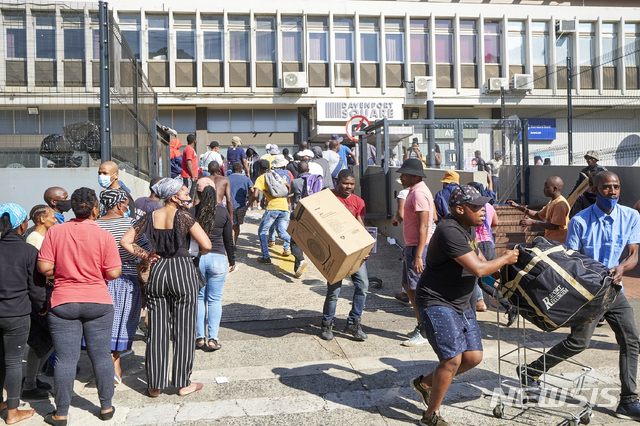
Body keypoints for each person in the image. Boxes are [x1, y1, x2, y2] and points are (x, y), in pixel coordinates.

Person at [518, 172, 640, 421]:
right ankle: (531, 371)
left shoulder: (631, 216)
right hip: (586, 294)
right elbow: (569, 260)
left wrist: (623, 267)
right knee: (579, 343)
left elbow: (633, 254)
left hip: (615, 290)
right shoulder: (580, 221)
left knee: (631, 341)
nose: (613, 191)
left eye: (616, 187)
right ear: (594, 190)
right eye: (606, 187)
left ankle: (628, 401)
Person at [410, 186, 519, 426]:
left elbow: (482, 263)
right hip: (436, 301)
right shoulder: (449, 230)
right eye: (477, 207)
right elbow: (478, 269)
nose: (483, 211)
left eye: (483, 206)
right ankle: (431, 415)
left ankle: (425, 384)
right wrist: (505, 257)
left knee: (473, 357)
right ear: (460, 209)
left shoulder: (468, 228)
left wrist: (506, 276)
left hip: (459, 301)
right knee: (452, 360)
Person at [120, 178, 211, 398]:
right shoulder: (184, 216)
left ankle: (154, 385)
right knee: (184, 329)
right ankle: (182, 383)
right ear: (173, 197)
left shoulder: (149, 217)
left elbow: (125, 241)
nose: (186, 196)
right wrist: (196, 254)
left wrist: (146, 255)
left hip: (158, 269)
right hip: (182, 270)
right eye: (182, 192)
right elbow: (206, 245)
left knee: (157, 330)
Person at [37, 188, 121, 425]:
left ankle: (61, 413)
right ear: (94, 207)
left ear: (73, 207)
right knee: (102, 356)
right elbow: (114, 272)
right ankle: (106, 407)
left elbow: (44, 268)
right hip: (98, 301)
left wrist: (62, 272)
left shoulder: (55, 232)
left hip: (63, 301)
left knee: (65, 359)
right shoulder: (104, 236)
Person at [96, 189, 150, 386]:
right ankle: (114, 361)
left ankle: (110, 363)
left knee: (104, 324)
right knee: (123, 323)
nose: (128, 207)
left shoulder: (95, 225)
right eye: (126, 203)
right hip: (126, 279)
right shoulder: (130, 224)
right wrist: (145, 260)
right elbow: (148, 249)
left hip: (102, 280)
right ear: (120, 205)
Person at [0, 203, 47, 425]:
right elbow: (36, 288)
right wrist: (41, 306)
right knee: (12, 361)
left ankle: (1, 402)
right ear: (22, 226)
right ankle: (12, 412)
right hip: (17, 315)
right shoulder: (29, 251)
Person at [320, 169, 370, 342]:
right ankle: (327, 322)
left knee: (363, 286)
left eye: (351, 184)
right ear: (337, 182)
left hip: (354, 251)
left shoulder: (358, 202)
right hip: (334, 252)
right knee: (334, 290)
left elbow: (360, 225)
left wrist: (365, 248)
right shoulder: (327, 198)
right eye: (345, 183)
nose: (348, 187)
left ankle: (353, 324)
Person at [191, 185, 235, 352]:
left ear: (198, 195)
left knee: (200, 298)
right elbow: (228, 239)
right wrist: (232, 260)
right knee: (215, 299)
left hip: (198, 258)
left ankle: (200, 337)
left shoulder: (192, 212)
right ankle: (213, 339)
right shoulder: (222, 212)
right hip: (217, 258)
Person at [396, 159, 435, 347]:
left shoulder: (419, 193)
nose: (401, 177)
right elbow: (433, 217)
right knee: (408, 285)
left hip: (418, 247)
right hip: (413, 245)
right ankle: (422, 324)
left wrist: (419, 255)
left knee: (418, 289)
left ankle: (425, 330)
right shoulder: (416, 191)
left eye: (404, 174)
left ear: (414, 176)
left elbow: (425, 225)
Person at [469, 182, 517, 326]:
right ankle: (509, 304)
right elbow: (495, 222)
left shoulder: (471, 207)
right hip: (489, 244)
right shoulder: (488, 206)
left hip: (477, 245)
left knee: (473, 281)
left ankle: (470, 318)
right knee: (485, 281)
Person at [22, 205, 56, 400]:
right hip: (40, 296)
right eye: (51, 215)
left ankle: (31, 379)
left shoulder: (43, 237)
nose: (55, 218)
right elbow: (38, 271)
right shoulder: (35, 239)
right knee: (41, 342)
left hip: (44, 294)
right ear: (41, 219)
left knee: (46, 342)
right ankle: (29, 383)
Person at [508, 176, 570, 244]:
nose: (543, 190)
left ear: (554, 189)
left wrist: (533, 222)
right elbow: (538, 215)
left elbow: (554, 226)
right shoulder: (552, 202)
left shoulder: (560, 204)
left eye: (546, 187)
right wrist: (518, 207)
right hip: (551, 241)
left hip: (558, 243)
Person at [252, 160, 291, 264]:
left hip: (273, 207)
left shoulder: (261, 178)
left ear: (260, 169)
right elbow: (288, 187)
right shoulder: (276, 175)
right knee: (282, 232)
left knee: (262, 231)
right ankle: (297, 244)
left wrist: (248, 204)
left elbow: (255, 194)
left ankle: (266, 257)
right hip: (284, 206)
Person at [392, 180, 411, 306]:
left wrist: (394, 219)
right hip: (430, 233)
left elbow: (400, 214)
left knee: (408, 267)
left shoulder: (404, 193)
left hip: (413, 235)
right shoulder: (425, 192)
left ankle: (406, 294)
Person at [228, 161, 254, 245]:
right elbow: (253, 191)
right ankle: (234, 243)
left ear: (232, 170)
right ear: (241, 170)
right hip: (241, 206)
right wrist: (249, 197)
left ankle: (230, 244)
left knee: (231, 225)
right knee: (237, 225)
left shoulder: (227, 178)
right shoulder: (246, 179)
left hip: (229, 205)